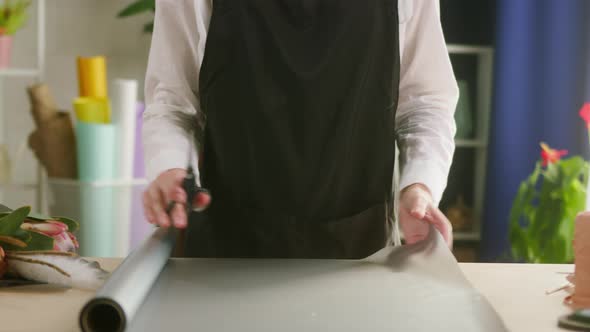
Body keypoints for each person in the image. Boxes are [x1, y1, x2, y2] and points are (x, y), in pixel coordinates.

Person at [142, 0, 458, 258]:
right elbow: (173, 101)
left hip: (359, 254)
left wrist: (420, 184)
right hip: (227, 252)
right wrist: (169, 165)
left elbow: (424, 103)